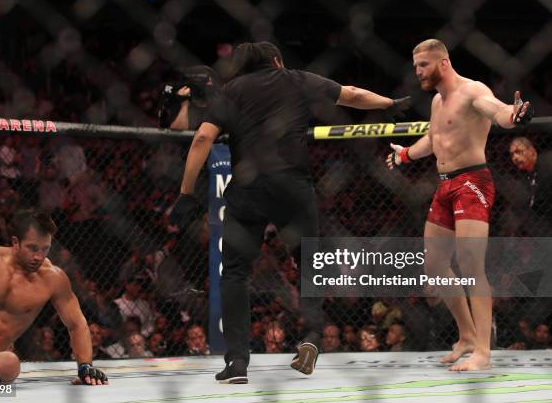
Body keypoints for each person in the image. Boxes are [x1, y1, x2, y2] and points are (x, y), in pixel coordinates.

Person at [172, 41, 411, 383]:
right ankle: (312, 336)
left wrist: (185, 193)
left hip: (248, 188)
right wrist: (389, 104)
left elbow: (201, 139)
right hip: (293, 187)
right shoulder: (296, 79)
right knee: (308, 263)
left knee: (235, 273)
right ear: (276, 60)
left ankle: (237, 362)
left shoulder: (233, 89)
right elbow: (352, 94)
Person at [387, 39, 533, 371]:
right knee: (435, 268)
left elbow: (498, 111)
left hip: (472, 183)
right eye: (415, 66)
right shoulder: (438, 102)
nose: (417, 72)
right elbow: (435, 138)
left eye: (422, 65)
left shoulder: (471, 91)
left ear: (443, 63)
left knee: (471, 267)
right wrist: (406, 154)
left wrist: (516, 113)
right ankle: (466, 335)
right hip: (444, 186)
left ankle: (482, 351)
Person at [0, 209, 108, 385]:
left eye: (45, 249)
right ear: (15, 242)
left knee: (11, 364)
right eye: (33, 248)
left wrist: (85, 366)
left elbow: (77, 324)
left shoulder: (53, 279)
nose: (39, 257)